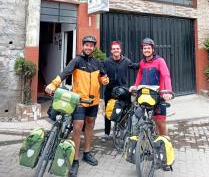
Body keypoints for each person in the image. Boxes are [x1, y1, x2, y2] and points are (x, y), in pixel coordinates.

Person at [45, 36, 109, 177]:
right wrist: (53, 84)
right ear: (83, 46)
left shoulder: (97, 62)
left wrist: (105, 79)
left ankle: (87, 152)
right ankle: (75, 159)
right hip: (79, 100)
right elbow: (64, 73)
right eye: (86, 45)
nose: (88, 47)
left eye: (91, 46)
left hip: (93, 101)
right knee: (78, 125)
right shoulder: (76, 61)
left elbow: (103, 76)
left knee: (90, 124)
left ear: (94, 48)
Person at [130, 38, 172, 136]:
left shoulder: (160, 61)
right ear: (142, 50)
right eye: (145, 48)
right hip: (146, 96)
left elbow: (166, 76)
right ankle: (154, 140)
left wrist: (168, 91)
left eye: (149, 48)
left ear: (153, 50)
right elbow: (139, 75)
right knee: (152, 119)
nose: (147, 50)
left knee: (160, 122)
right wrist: (135, 86)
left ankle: (164, 144)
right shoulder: (142, 62)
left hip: (159, 96)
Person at [101, 40, 139, 142]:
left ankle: (123, 131)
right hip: (110, 91)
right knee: (108, 111)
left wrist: (144, 64)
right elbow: (101, 71)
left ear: (120, 50)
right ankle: (106, 133)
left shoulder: (126, 61)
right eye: (114, 49)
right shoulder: (106, 61)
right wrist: (103, 76)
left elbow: (134, 66)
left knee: (124, 111)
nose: (116, 50)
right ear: (111, 51)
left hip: (123, 91)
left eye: (117, 48)